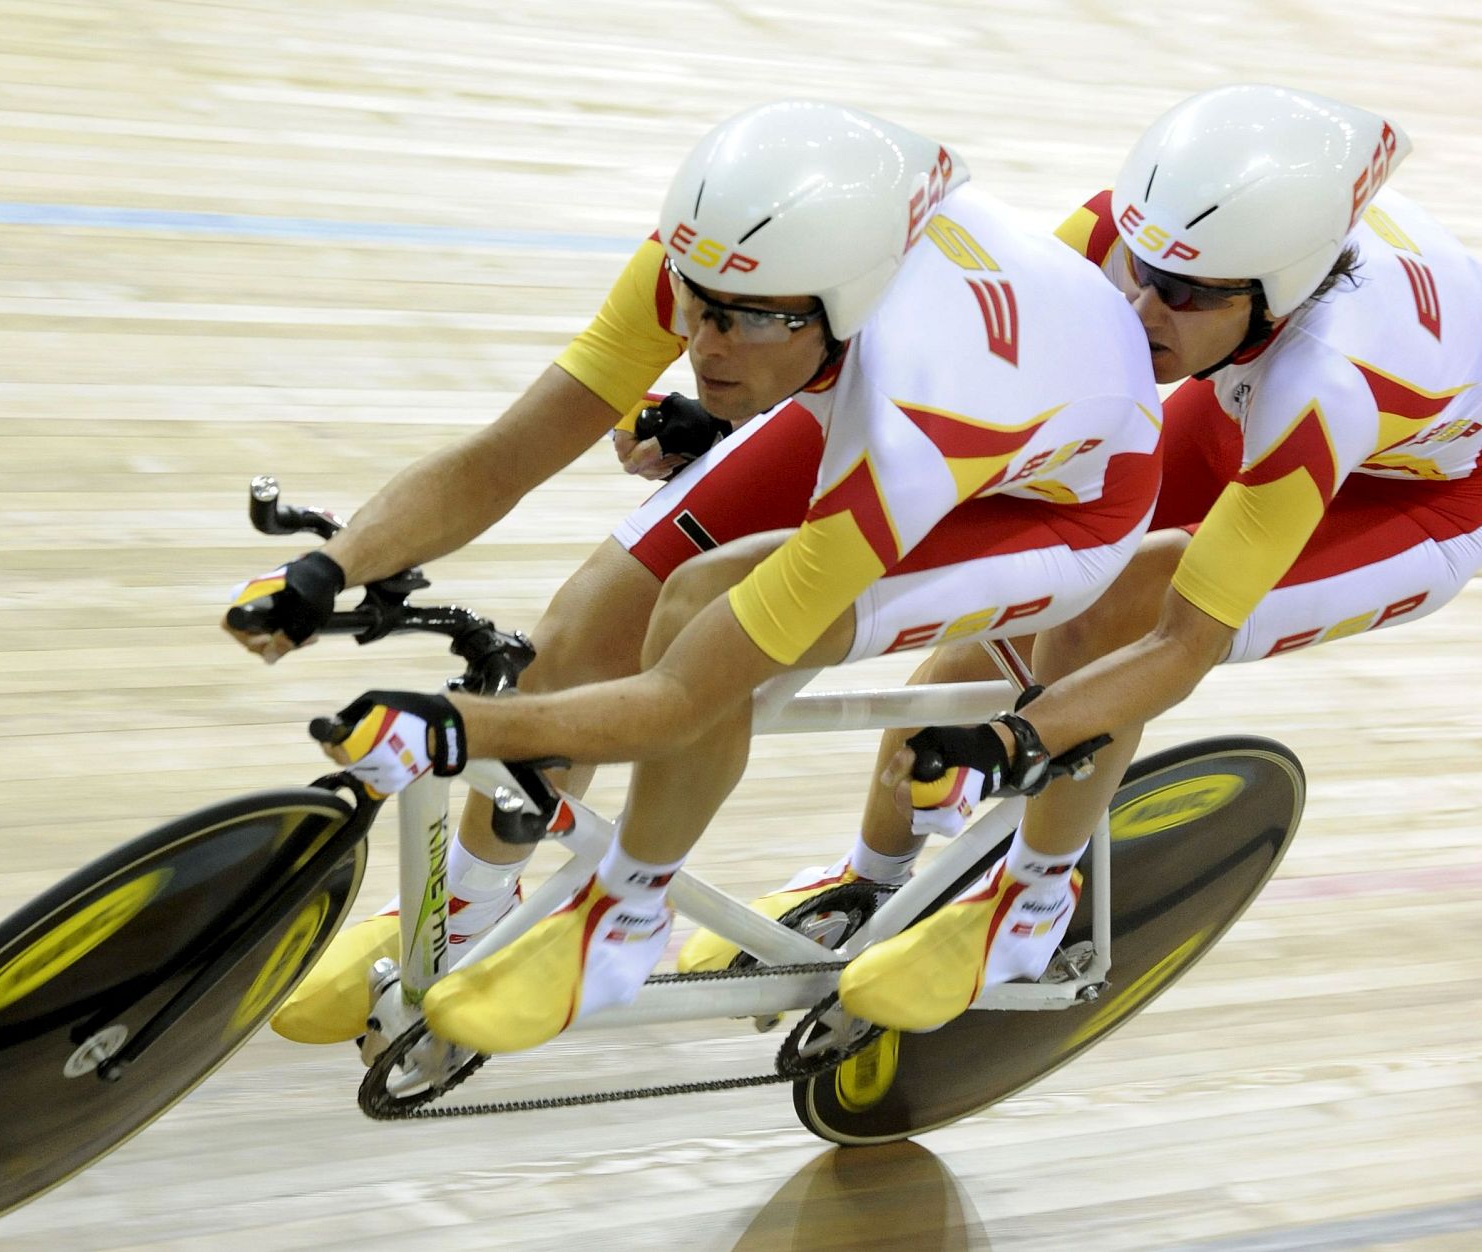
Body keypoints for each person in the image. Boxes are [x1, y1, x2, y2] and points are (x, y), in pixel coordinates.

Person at [271, 99, 1166, 1057]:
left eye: (740, 323)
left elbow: (683, 698)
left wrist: (458, 729)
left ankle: (626, 909)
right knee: (579, 631)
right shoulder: (734, 263)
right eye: (697, 306)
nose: (702, 343)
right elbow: (505, 457)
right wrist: (325, 567)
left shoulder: (919, 409)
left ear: (835, 306)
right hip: (874, 392)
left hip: (1057, 504)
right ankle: (471, 907)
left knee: (708, 615)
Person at [814, 83, 1482, 1034]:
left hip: (1421, 495)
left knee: (1122, 607)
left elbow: (1180, 646)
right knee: (1018, 604)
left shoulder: (1326, 377)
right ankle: (862, 884)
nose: (1137, 306)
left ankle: (1034, 903)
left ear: (1273, 294)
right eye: (1138, 266)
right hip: (1259, 390)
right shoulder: (1148, 238)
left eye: (1184, 294)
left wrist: (1021, 741)